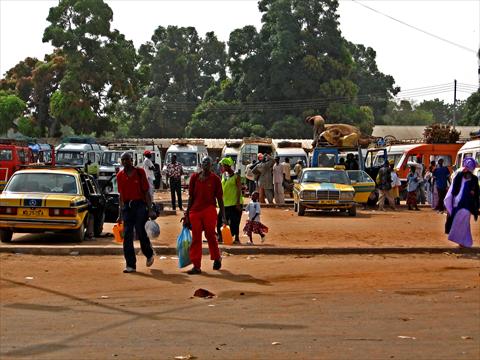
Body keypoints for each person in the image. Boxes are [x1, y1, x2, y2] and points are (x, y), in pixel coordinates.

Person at [183, 156, 226, 274]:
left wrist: (223, 216)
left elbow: (220, 199)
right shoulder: (194, 178)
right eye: (204, 163)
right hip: (195, 211)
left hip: (209, 210)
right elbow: (191, 197)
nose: (205, 165)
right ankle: (196, 266)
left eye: (208, 163)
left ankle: (217, 257)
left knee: (210, 235)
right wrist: (187, 213)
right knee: (196, 238)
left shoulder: (215, 179)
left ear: (211, 165)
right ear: (201, 165)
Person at [116, 152, 156, 273]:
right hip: (127, 207)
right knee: (127, 235)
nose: (124, 162)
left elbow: (146, 192)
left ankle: (149, 253)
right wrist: (120, 214)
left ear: (131, 160)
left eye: (126, 159)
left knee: (140, 230)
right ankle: (130, 265)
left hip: (140, 205)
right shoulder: (120, 176)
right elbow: (121, 196)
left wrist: (150, 210)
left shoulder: (139, 173)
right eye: (122, 160)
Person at [444, 157, 479, 248]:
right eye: (465, 167)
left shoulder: (474, 179)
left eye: (468, 168)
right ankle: (465, 242)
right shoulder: (459, 176)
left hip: (467, 204)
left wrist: (473, 193)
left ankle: (463, 242)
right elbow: (453, 189)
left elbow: (477, 193)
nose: (466, 169)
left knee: (463, 222)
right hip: (456, 203)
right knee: (461, 223)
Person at [216, 157, 243, 244]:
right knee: (220, 220)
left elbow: (239, 190)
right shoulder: (224, 175)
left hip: (235, 203)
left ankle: (237, 238)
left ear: (228, 166)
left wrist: (238, 203)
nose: (222, 168)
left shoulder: (236, 176)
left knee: (235, 221)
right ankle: (220, 237)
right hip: (225, 203)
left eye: (223, 166)